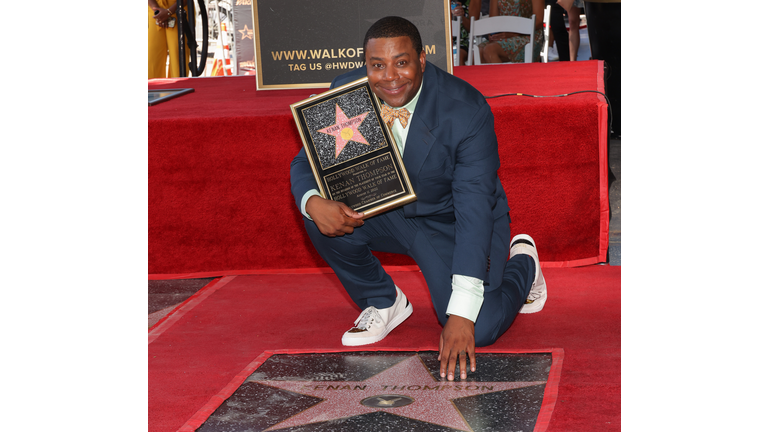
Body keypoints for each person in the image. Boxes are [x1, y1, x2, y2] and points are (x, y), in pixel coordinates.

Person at [290, 16, 547, 382]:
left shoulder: (466, 109)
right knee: (319, 215)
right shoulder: (347, 90)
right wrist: (312, 201)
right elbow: (306, 160)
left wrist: (460, 315)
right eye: (378, 65)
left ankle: (524, 263)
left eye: (402, 62)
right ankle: (382, 300)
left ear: (422, 60)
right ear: (366, 65)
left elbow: (474, 208)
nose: (390, 77)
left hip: (452, 220)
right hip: (385, 213)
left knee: (482, 326)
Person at [477, 0, 545, 63]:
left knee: (490, 50)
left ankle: (505, 76)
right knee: (477, 53)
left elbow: (538, 21)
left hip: (528, 36)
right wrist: (493, 35)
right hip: (504, 36)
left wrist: (513, 33)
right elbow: (493, 21)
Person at [148, 0, 191, 79]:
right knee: (151, 58)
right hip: (153, 8)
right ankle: (151, 89)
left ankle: (177, 89)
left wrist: (169, 11)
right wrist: (157, 12)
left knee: (178, 60)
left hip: (180, 9)